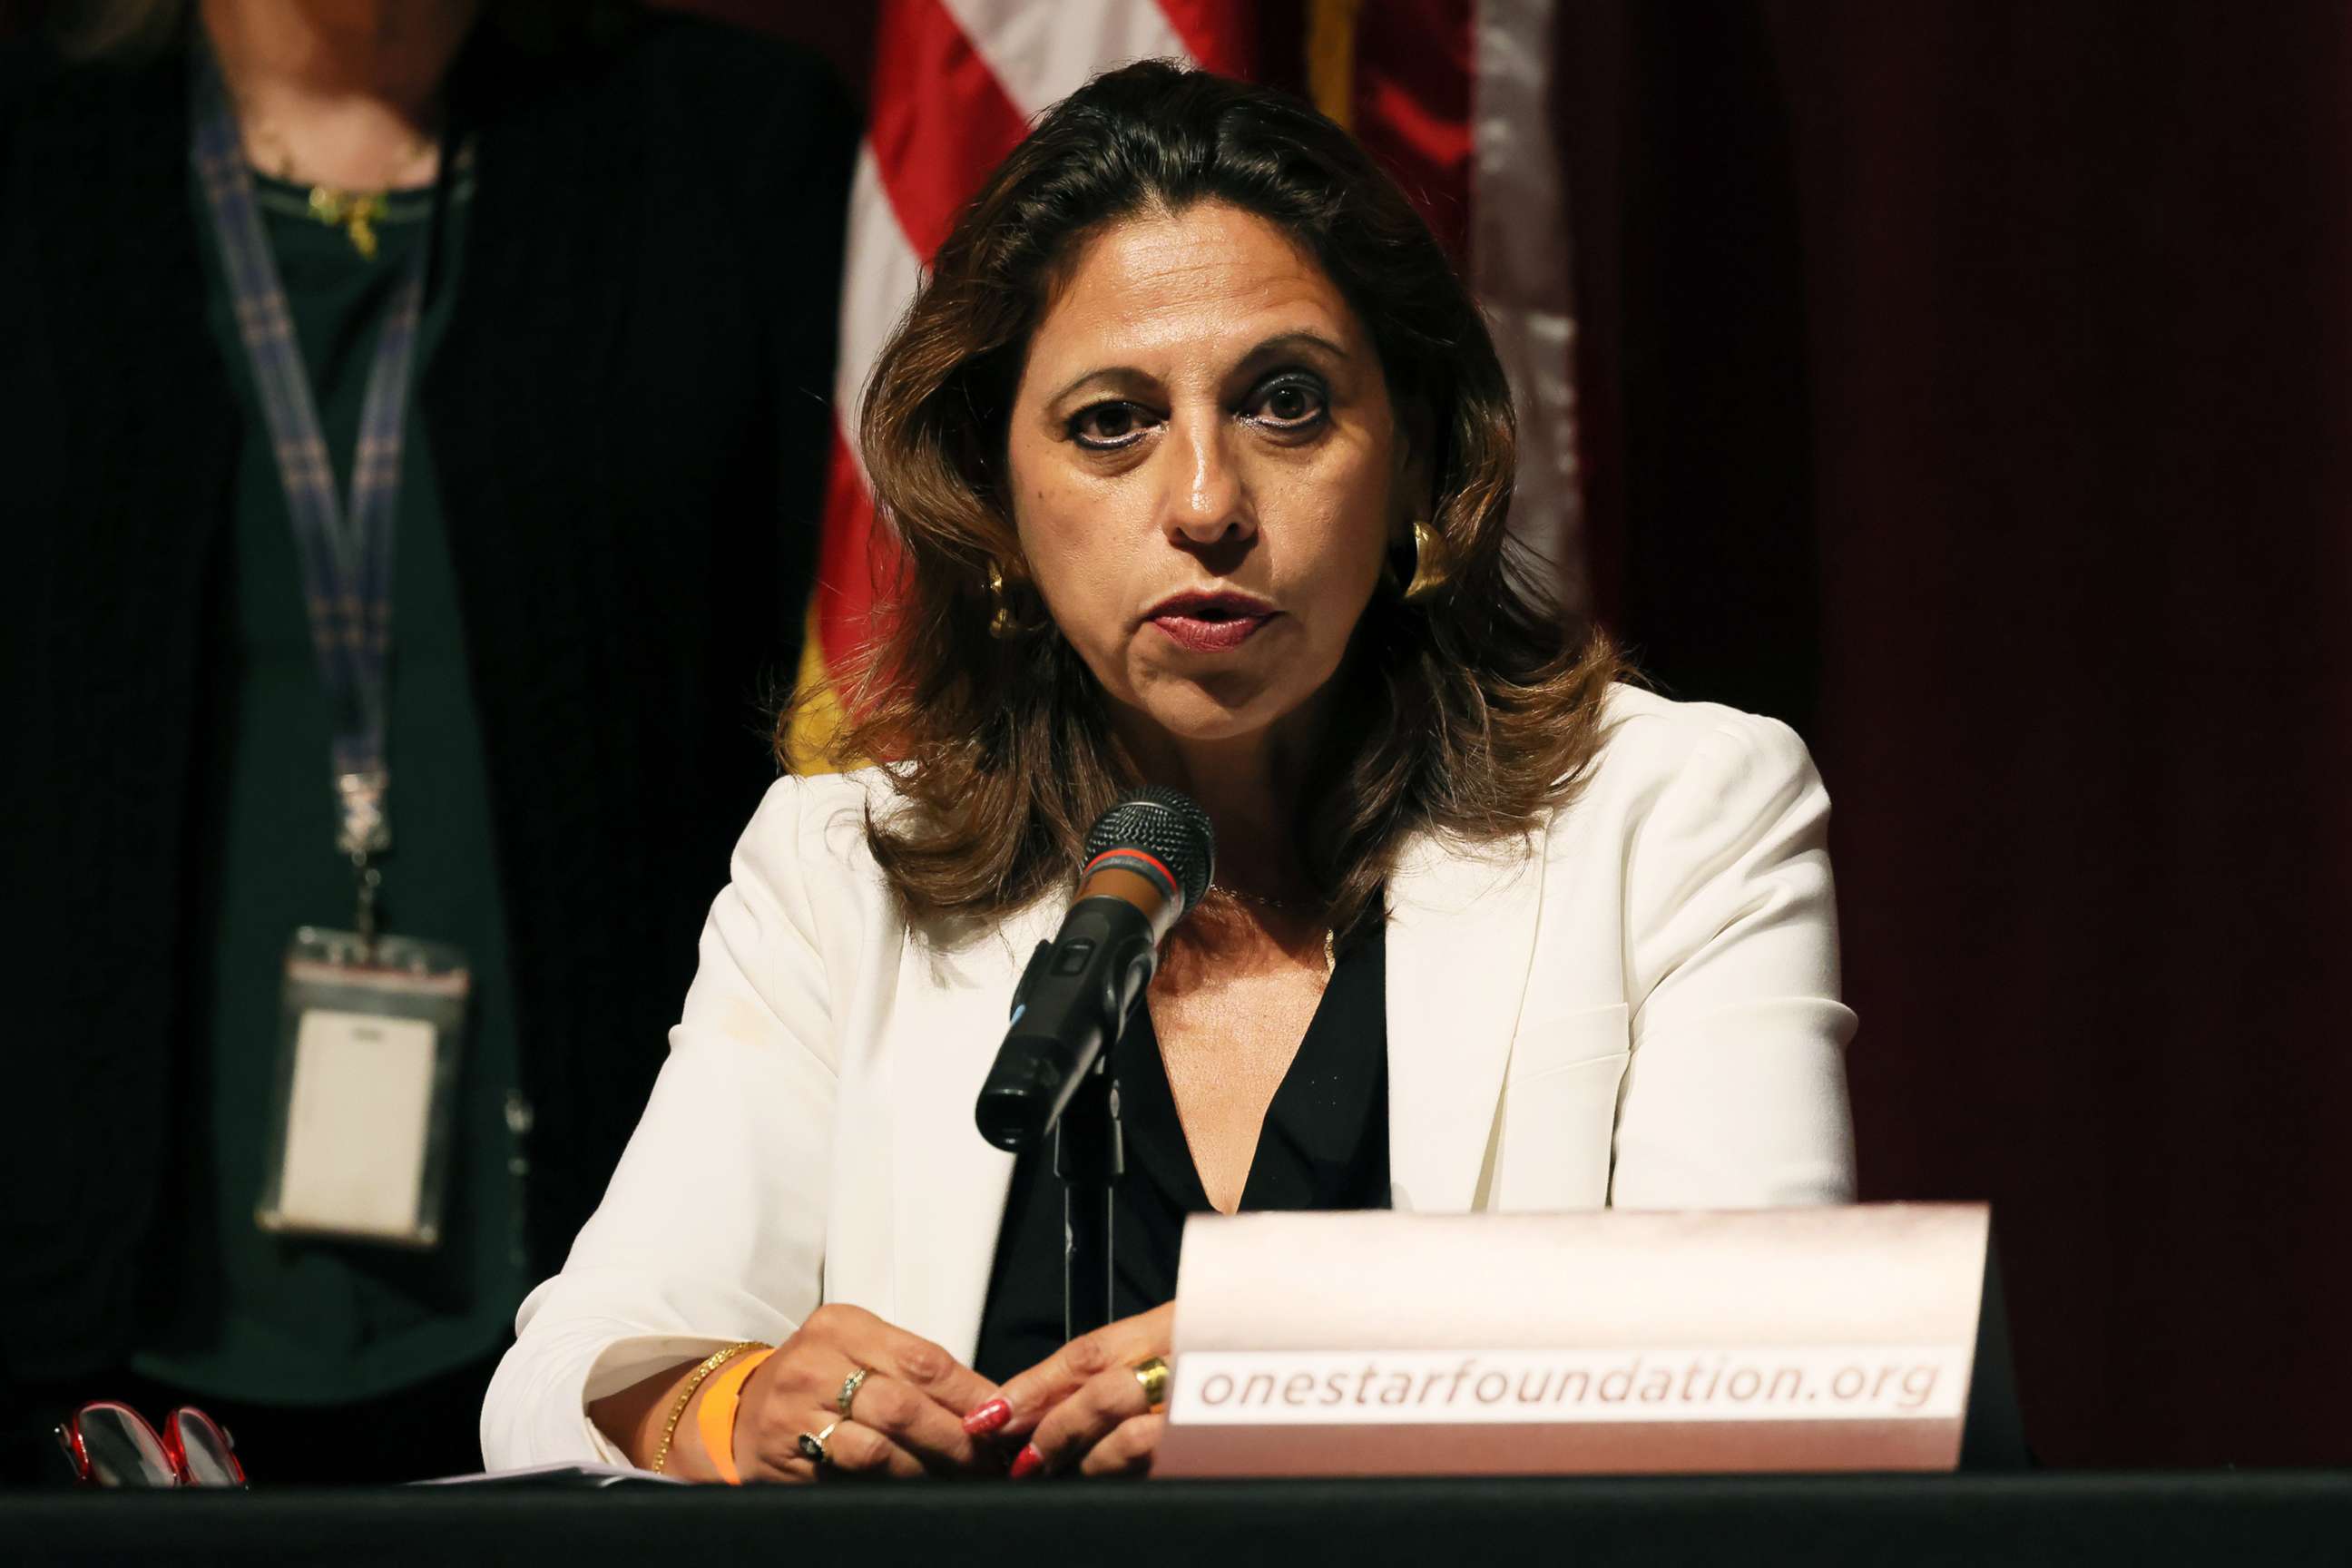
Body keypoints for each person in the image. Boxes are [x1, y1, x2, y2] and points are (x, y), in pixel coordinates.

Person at [483, 59, 1855, 1484]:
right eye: (1109, 424)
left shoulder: (1677, 817)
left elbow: (1797, 1355)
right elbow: (565, 1378)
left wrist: (1310, 1377)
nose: (1205, 503)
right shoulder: (842, 872)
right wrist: (728, 1407)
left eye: (1285, 403)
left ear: (1417, 461)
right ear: (995, 499)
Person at [0, 0, 850, 1484]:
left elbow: (874, 703)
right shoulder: (33, 159)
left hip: (608, 1316)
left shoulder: (734, 145)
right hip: (77, 1301)